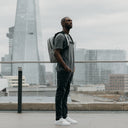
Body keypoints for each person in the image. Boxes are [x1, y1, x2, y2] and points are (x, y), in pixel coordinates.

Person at [54, 17, 78, 126]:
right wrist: (65, 66)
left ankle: (65, 115)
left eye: (71, 21)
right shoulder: (60, 36)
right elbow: (56, 53)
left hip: (70, 70)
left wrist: (72, 67)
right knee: (60, 93)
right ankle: (58, 118)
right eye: (68, 21)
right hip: (63, 70)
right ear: (63, 23)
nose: (71, 22)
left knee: (66, 93)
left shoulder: (69, 37)